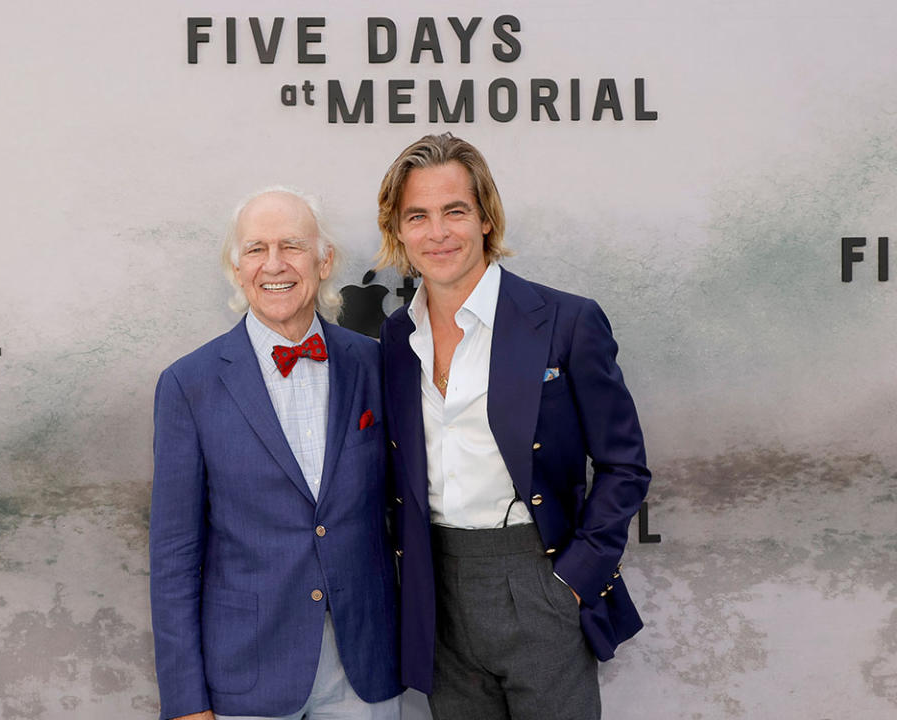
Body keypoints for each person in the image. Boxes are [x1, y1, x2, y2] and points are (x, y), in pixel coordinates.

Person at [376, 134, 651, 720]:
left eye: (455, 211)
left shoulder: (566, 321)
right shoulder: (397, 341)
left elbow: (625, 465)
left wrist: (573, 580)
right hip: (437, 591)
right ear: (398, 231)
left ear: (485, 218)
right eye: (417, 216)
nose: (438, 232)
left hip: (539, 580)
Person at [150, 188, 402, 720]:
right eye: (256, 249)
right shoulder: (187, 385)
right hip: (246, 674)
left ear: (324, 259)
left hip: (365, 668)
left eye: (291, 245)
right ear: (236, 267)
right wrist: (185, 703)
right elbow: (173, 557)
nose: (274, 265)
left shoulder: (374, 364)